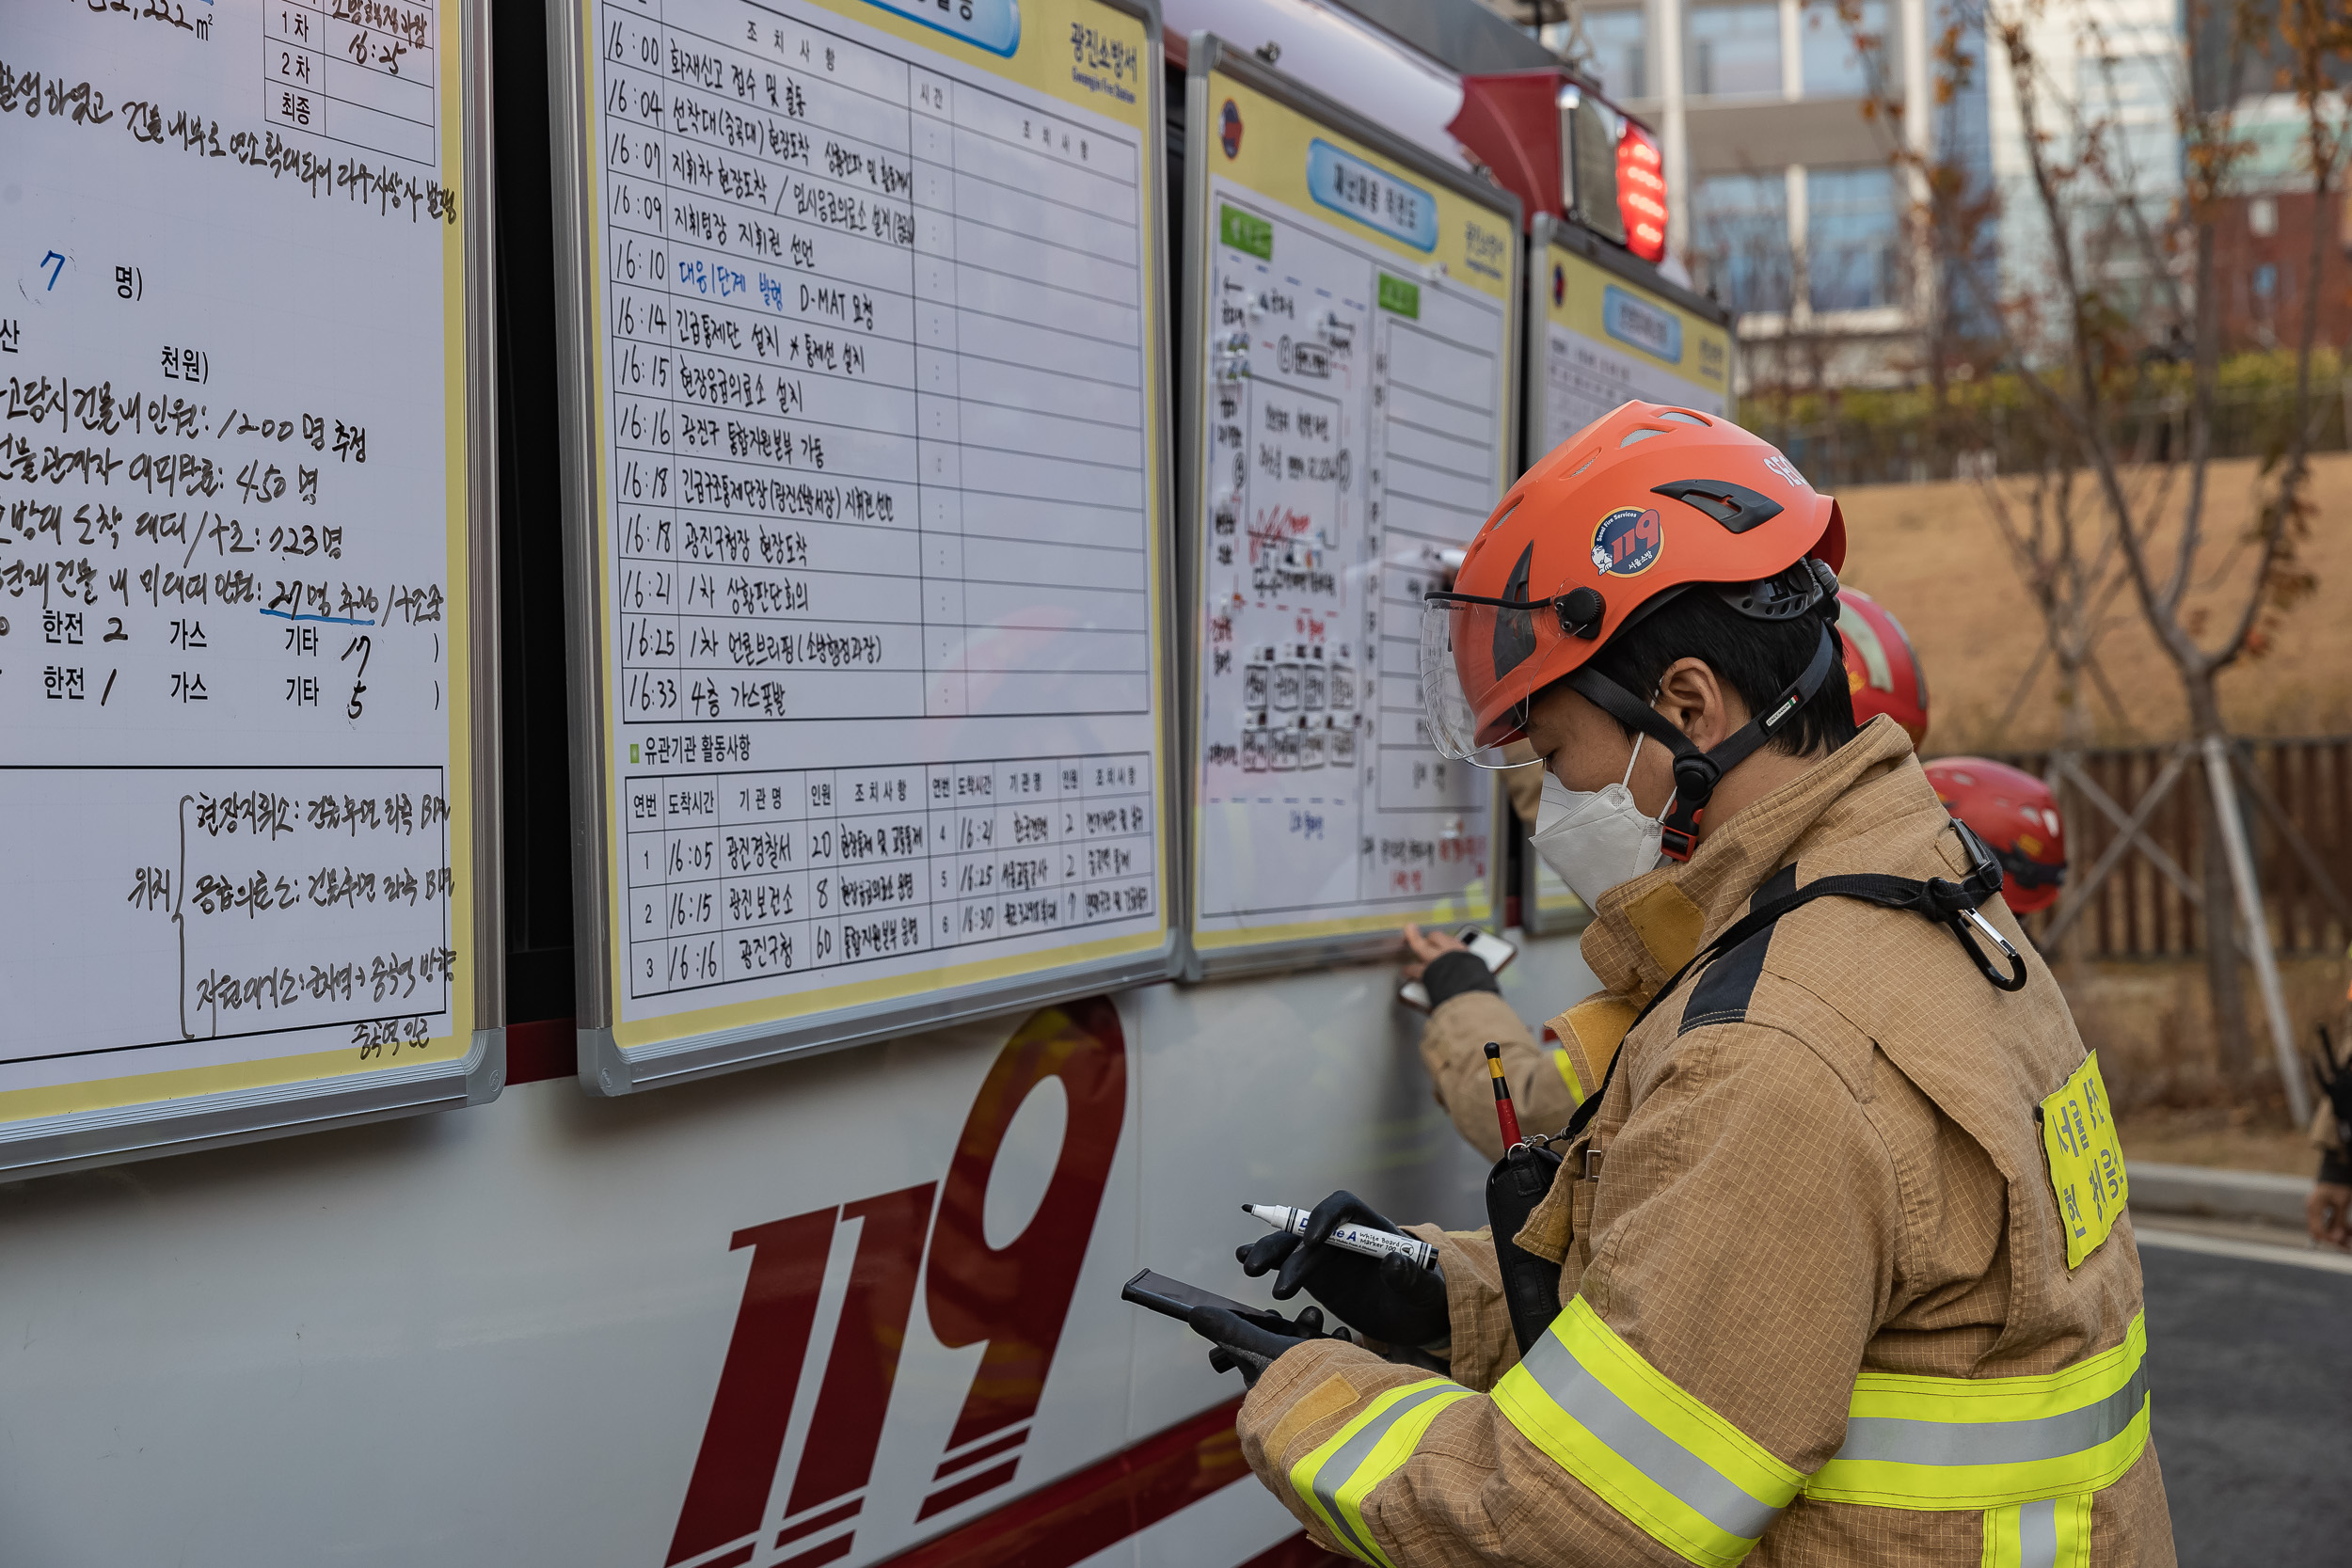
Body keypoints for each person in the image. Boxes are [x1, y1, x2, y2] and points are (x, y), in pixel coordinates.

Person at [1193, 401, 2171, 1565]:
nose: (1553, 801)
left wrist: (1314, 1399)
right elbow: (1753, 1314)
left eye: (1555, 754)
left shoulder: (1779, 1044)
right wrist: (1452, 1296)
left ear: (1687, 706)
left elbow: (1568, 1519)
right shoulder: (1924, 888)